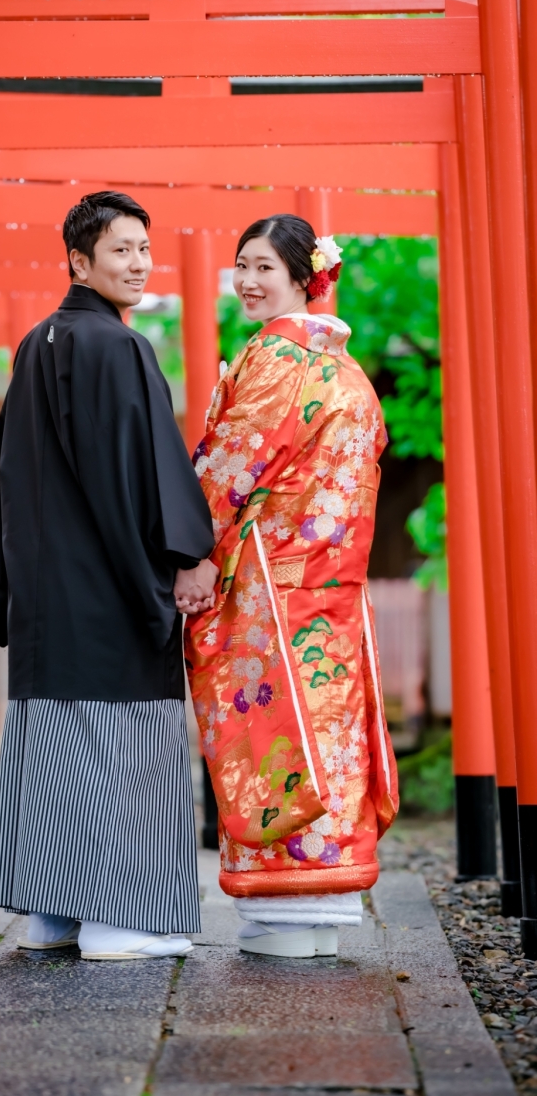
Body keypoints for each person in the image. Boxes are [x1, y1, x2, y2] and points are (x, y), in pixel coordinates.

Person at [0, 191, 217, 961]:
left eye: (144, 249)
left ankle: (52, 917)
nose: (140, 262)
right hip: (109, 591)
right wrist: (183, 556)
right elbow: (142, 476)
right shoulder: (120, 348)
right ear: (78, 261)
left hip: (47, 599)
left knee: (54, 747)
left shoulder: (33, 345)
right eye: (122, 250)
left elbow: (7, 485)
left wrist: (8, 587)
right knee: (124, 747)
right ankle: (119, 923)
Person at [182, 214, 398, 958]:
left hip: (269, 593)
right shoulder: (348, 370)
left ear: (305, 276)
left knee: (269, 733)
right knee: (329, 733)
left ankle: (281, 905)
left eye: (264, 267)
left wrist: (194, 554)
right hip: (331, 593)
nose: (246, 280)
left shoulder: (277, 356)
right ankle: (329, 899)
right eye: (240, 264)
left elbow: (227, 470)